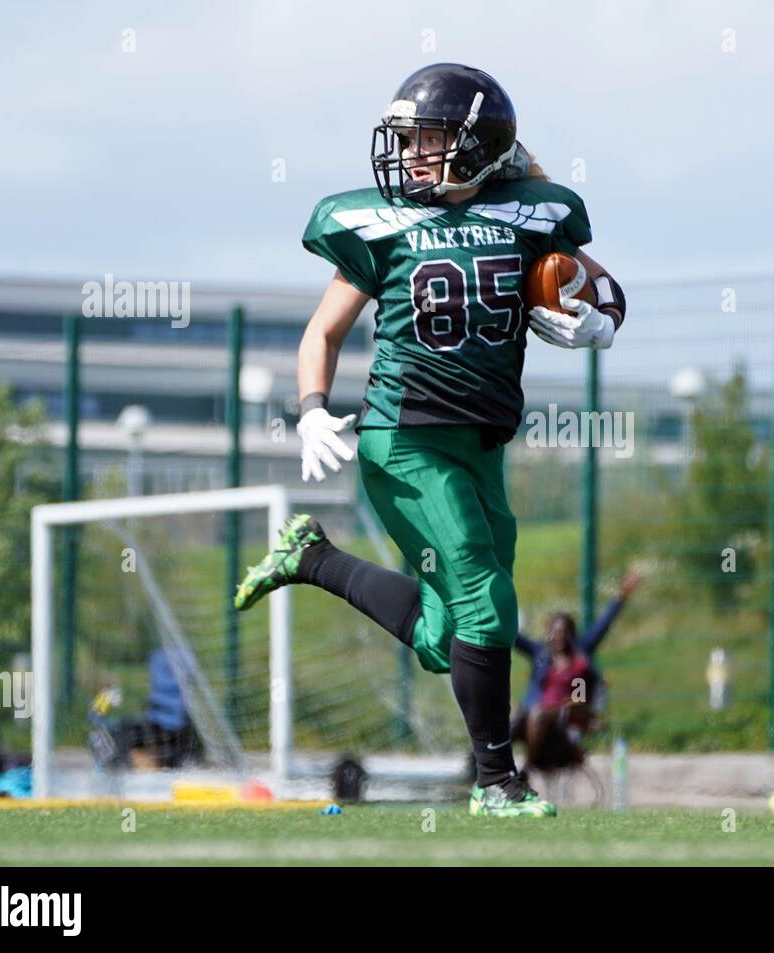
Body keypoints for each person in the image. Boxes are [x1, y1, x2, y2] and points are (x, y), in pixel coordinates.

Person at [231, 64, 627, 818]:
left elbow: (605, 289)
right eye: (406, 139)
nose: (411, 154)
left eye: (429, 139)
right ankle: (496, 784)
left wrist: (599, 322)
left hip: (481, 445)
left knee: (452, 636)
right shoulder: (382, 222)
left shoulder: (534, 213)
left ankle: (311, 557)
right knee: (485, 600)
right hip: (403, 441)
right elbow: (324, 330)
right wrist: (312, 407)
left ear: (479, 147)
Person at [511, 569, 643, 772]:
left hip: (565, 717)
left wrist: (621, 595)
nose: (559, 637)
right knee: (511, 715)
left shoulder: (578, 663)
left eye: (564, 633)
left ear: (571, 635)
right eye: (554, 633)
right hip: (533, 717)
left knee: (536, 714)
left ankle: (525, 771)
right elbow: (512, 637)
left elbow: (603, 624)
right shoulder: (541, 656)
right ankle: (485, 764)